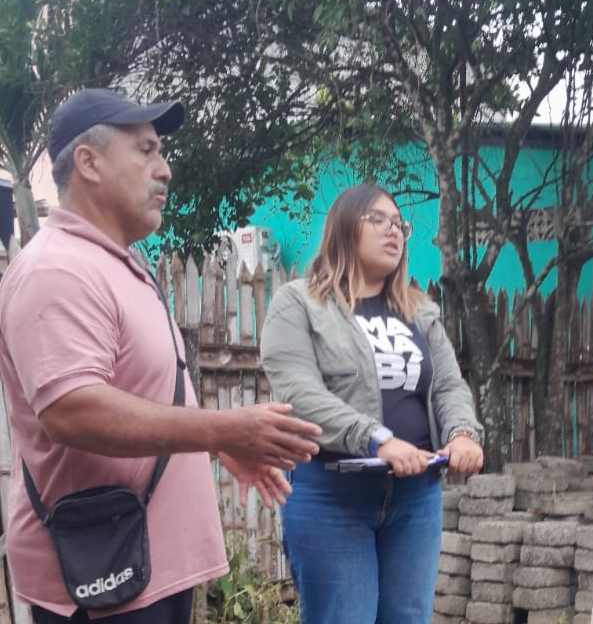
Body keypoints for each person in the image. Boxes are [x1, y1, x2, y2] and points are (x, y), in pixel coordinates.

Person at [0, 88, 323, 624]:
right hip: (101, 582)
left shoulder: (117, 265)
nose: (165, 169)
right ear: (89, 163)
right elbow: (72, 410)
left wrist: (216, 445)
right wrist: (222, 429)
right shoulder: (57, 270)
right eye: (146, 150)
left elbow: (140, 395)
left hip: (143, 569)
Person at [260, 183, 484, 624]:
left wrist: (462, 433)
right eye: (377, 220)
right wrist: (377, 439)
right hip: (331, 494)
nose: (393, 230)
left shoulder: (420, 311)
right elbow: (299, 394)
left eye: (399, 224)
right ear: (344, 227)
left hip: (415, 497)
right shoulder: (299, 303)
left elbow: (448, 386)